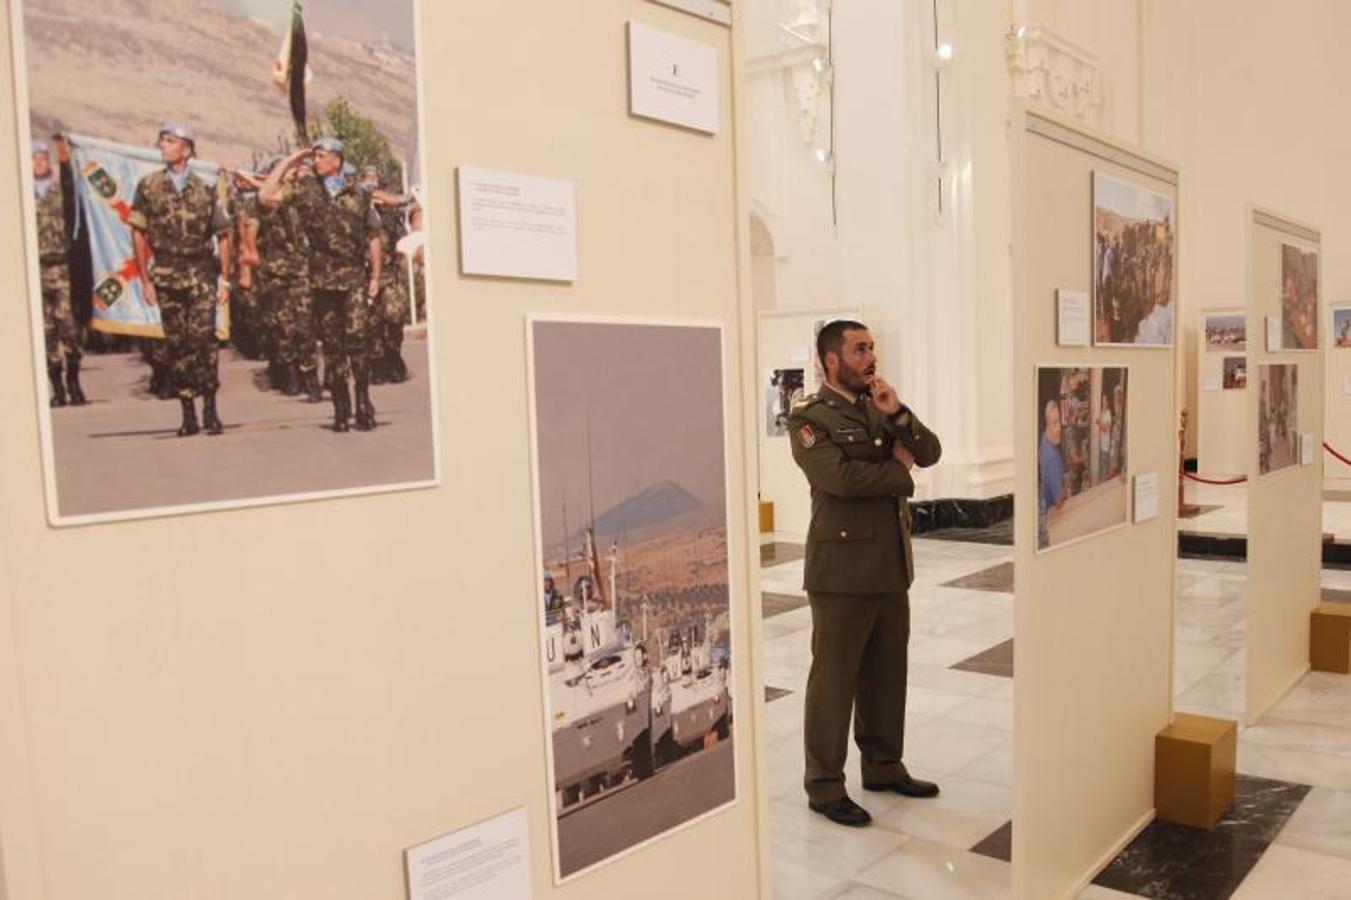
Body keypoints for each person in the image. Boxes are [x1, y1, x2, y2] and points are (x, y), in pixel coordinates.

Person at [787, 319, 942, 828]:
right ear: (831, 359)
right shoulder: (810, 418)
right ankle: (825, 784)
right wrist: (899, 471)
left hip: (890, 566)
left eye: (872, 347)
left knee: (885, 674)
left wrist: (898, 413)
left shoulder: (878, 405)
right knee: (834, 680)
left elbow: (930, 452)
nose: (870, 356)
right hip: (841, 570)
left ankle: (882, 764)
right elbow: (840, 479)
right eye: (859, 349)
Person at [259, 138, 383, 431]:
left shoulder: (360, 194)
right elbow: (265, 196)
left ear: (337, 161)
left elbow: (373, 236)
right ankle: (341, 407)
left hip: (353, 279)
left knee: (357, 342)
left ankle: (363, 399)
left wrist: (375, 277)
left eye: (321, 155)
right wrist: (291, 159)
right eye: (313, 156)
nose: (315, 160)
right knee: (333, 347)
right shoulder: (304, 190)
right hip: (322, 281)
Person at [129, 123, 232, 437]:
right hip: (167, 274)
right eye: (162, 140)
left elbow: (223, 235)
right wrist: (145, 279)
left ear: (186, 150)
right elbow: (137, 232)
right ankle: (188, 413)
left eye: (170, 141)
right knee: (177, 343)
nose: (162, 145)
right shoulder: (148, 187)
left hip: (201, 273)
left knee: (204, 341)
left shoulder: (205, 188)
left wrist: (224, 280)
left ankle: (210, 407)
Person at [33, 137, 87, 408]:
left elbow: (69, 184)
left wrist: (64, 156)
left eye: (42, 158)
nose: (38, 163)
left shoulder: (58, 191)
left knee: (69, 328)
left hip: (62, 267)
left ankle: (74, 383)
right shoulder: (22, 195)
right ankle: (57, 389)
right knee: (45, 332)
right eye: (33, 159)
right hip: (35, 271)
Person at [1038, 399, 1068, 549]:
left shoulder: (1044, 441)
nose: (1059, 428)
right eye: (1054, 423)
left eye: (1059, 423)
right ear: (1047, 425)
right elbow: (1058, 500)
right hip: (1053, 520)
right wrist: (1066, 486)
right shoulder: (1051, 457)